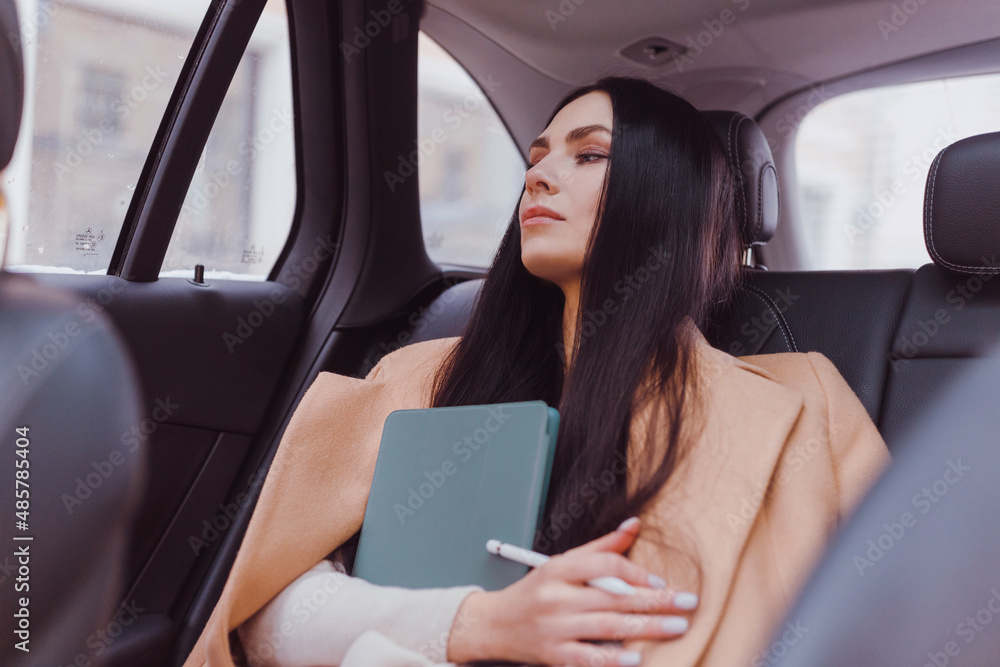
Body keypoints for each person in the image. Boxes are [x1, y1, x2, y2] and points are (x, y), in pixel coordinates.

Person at [183, 76, 891, 667]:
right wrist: (479, 623)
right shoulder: (417, 379)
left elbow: (908, 614)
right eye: (538, 153)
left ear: (670, 195)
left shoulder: (805, 399)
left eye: (590, 155)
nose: (539, 172)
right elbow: (266, 615)